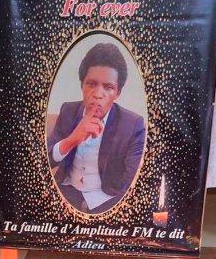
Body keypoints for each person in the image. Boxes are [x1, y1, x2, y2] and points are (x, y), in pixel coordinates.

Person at [48, 42, 146, 214]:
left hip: (106, 199)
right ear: (82, 85)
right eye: (91, 84)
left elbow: (131, 182)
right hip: (65, 192)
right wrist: (71, 140)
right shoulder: (68, 110)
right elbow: (46, 158)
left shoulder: (133, 125)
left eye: (108, 87)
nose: (98, 94)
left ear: (118, 93)